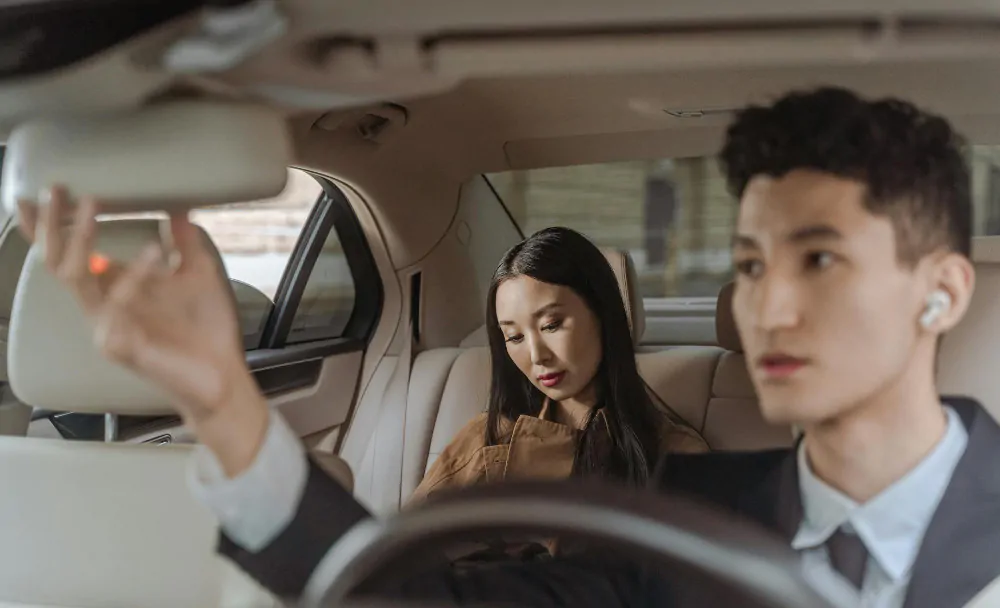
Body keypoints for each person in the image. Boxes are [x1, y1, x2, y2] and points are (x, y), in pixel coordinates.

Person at [21, 85, 1000, 608]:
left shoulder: (664, 457)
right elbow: (405, 592)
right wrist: (222, 401)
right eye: (747, 265)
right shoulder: (686, 512)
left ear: (942, 291)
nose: (766, 306)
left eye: (819, 258)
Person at [411, 226, 706, 512]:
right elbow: (403, 539)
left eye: (551, 325)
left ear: (601, 312)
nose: (537, 356)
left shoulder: (675, 454)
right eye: (515, 337)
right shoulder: (485, 442)